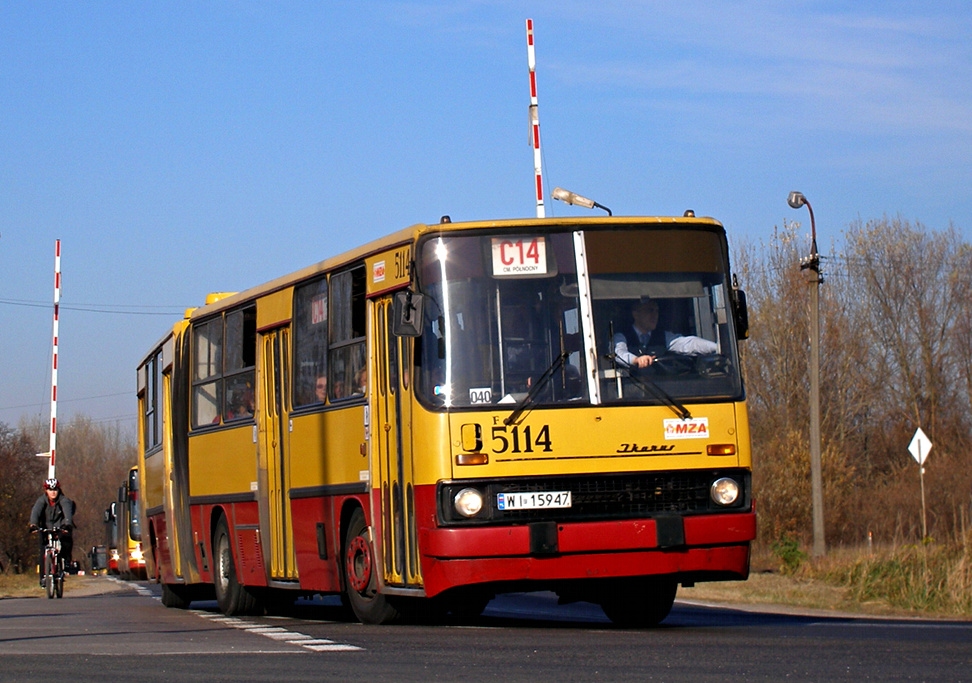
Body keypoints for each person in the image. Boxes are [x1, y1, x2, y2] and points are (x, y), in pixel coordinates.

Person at [612, 298, 717, 369]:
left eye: (657, 311)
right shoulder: (621, 336)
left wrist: (717, 347)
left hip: (665, 390)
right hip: (632, 393)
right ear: (636, 314)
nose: (655, 315)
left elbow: (688, 344)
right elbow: (618, 354)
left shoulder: (664, 336)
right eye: (650, 310)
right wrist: (636, 360)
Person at [29, 478, 75, 586]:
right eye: (50, 490)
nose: (53, 492)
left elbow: (67, 512)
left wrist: (67, 524)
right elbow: (36, 511)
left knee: (66, 540)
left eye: (55, 489)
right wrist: (33, 524)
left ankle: (66, 562)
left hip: (60, 525)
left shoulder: (64, 500)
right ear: (46, 491)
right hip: (45, 527)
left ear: (59, 490)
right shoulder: (41, 501)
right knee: (42, 550)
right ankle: (43, 578)